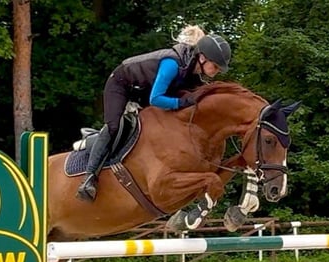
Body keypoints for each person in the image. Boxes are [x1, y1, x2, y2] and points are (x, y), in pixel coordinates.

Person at [76, 26, 232, 202]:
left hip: (142, 91)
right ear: (202, 58)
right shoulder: (172, 63)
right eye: (215, 66)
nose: (217, 71)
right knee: (114, 126)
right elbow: (156, 98)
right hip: (121, 83)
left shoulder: (193, 75)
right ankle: (89, 177)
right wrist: (180, 103)